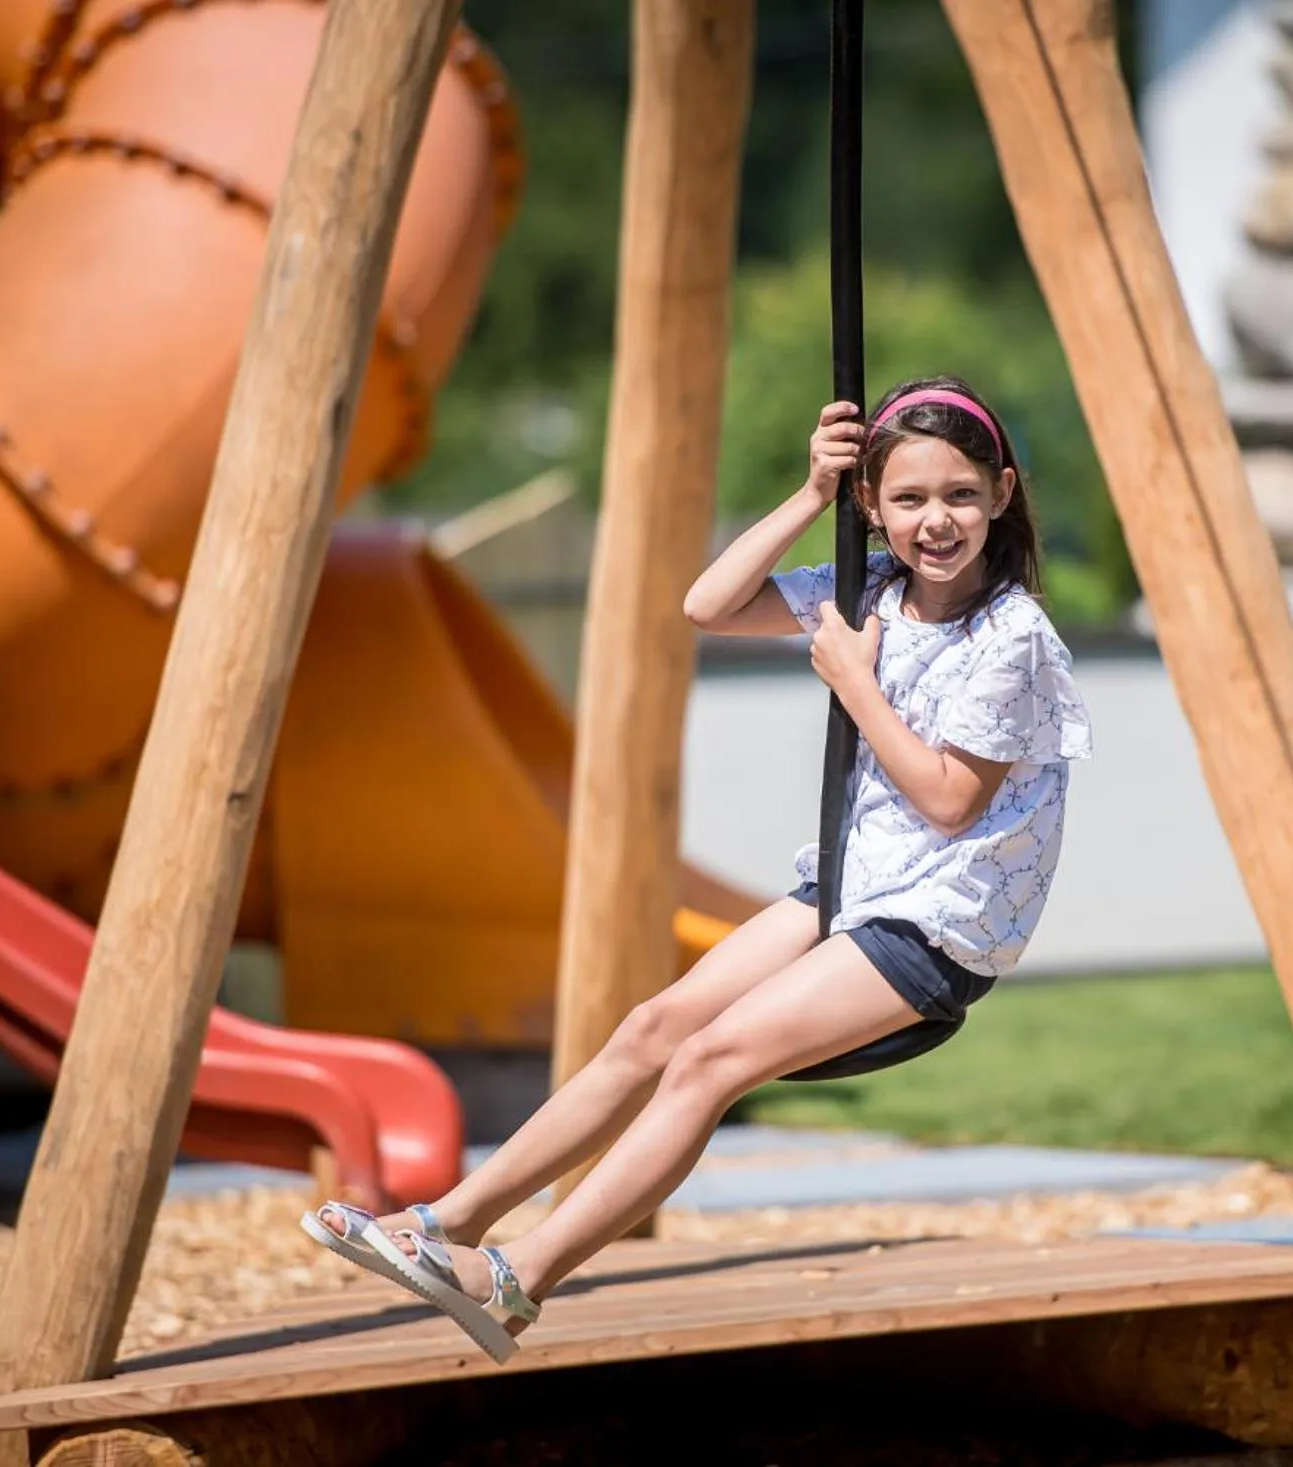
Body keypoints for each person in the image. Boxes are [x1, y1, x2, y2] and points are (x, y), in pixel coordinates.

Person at [301, 374, 1092, 1363]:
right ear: (872, 508)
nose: (937, 520)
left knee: (710, 1060)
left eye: (961, 495)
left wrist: (854, 683)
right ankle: (448, 1225)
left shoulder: (1011, 640)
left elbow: (947, 798)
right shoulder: (868, 590)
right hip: (856, 887)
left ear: (1003, 494)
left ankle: (520, 1278)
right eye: (909, 498)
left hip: (941, 920)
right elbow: (708, 604)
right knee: (652, 1027)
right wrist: (811, 493)